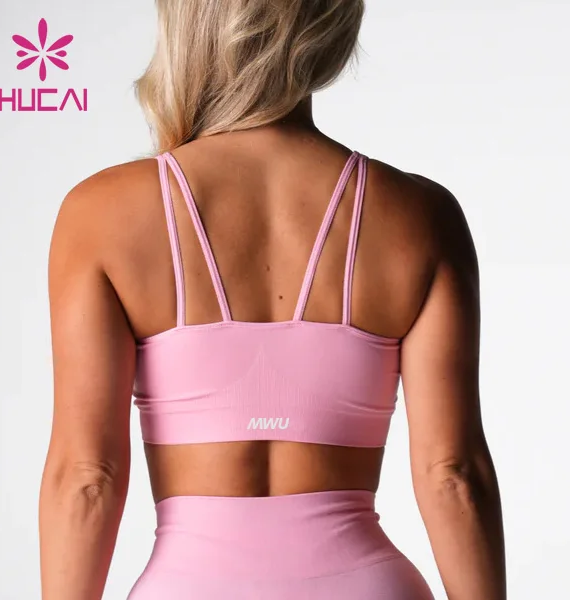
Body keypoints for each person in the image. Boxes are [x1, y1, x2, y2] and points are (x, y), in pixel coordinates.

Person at [38, 1, 506, 598]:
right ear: (329, 24)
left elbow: (87, 478)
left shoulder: (101, 214)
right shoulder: (421, 216)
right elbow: (453, 474)